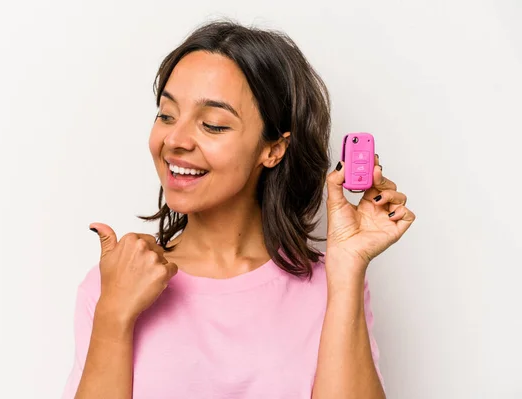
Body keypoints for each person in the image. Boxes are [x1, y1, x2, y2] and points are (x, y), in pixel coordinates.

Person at [62, 19, 415, 399]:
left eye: (212, 125)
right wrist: (113, 316)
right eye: (166, 115)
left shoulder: (332, 286)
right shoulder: (112, 285)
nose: (175, 140)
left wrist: (346, 269)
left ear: (273, 149)